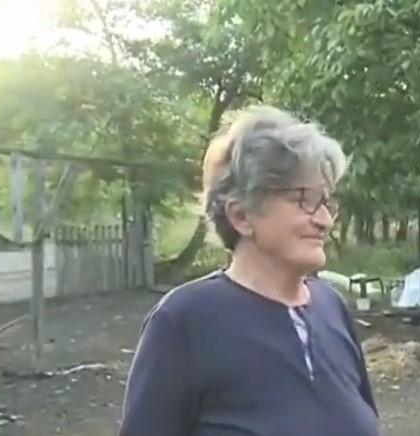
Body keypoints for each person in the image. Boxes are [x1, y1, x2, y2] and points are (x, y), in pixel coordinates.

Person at [118, 105, 379, 436]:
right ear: (241, 216)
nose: (325, 220)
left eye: (326, 201)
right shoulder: (184, 321)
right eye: (303, 199)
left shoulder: (332, 307)